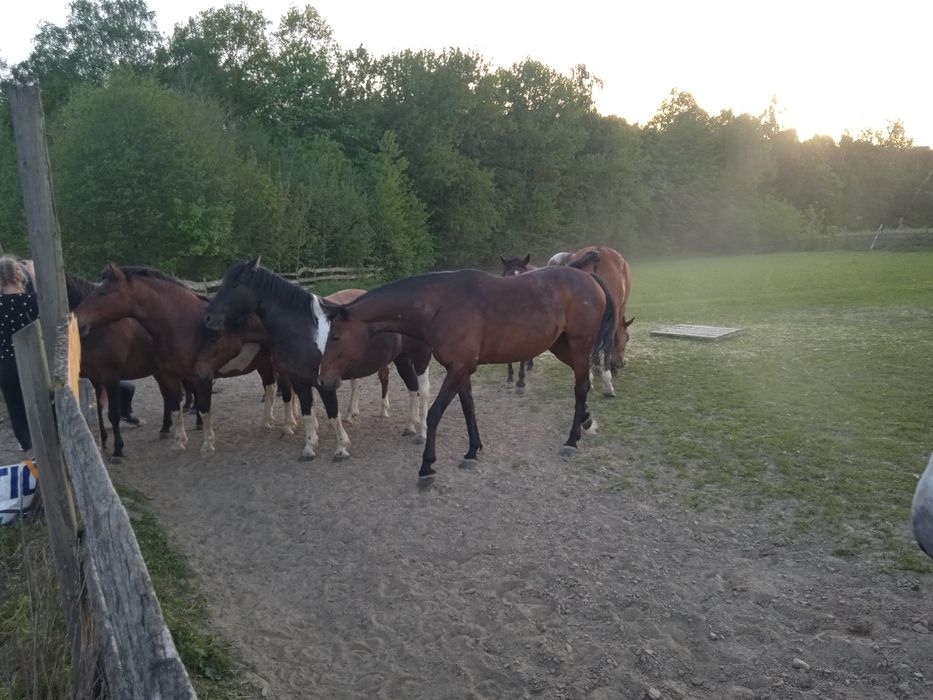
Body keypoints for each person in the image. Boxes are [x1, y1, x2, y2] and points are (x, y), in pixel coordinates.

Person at [0, 256, 39, 451]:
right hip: (33, 361)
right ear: (19, 276)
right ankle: (44, 443)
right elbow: (47, 300)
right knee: (40, 404)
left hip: (5, 363)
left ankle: (26, 445)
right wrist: (33, 273)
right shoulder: (31, 301)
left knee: (16, 408)